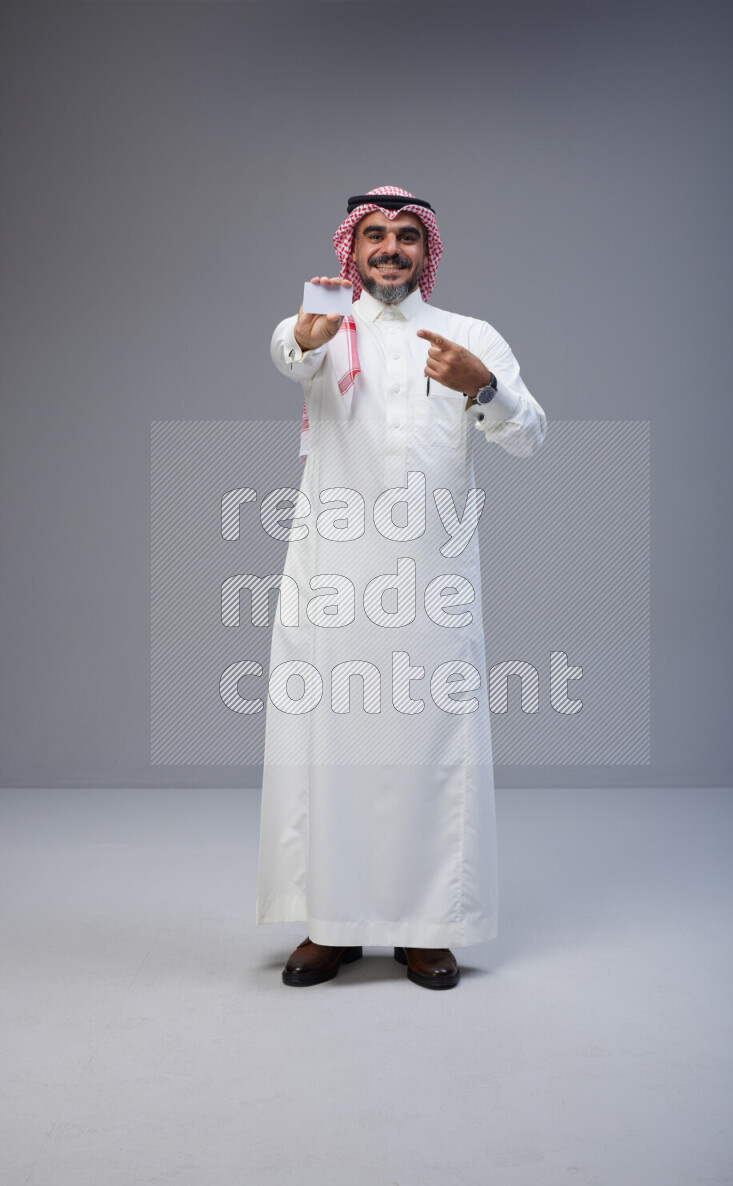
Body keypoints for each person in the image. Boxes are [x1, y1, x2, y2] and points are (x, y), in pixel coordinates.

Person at [256, 185, 546, 989]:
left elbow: (530, 434)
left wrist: (482, 386)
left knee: (429, 747)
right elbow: (289, 351)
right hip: (336, 580)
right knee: (331, 745)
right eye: (375, 236)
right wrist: (308, 335)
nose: (390, 249)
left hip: (430, 584)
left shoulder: (466, 336)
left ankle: (428, 928)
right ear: (353, 247)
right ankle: (332, 926)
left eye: (406, 237)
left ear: (428, 252)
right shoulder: (319, 324)